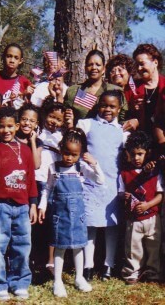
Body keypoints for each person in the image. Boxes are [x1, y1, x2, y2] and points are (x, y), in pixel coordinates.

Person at [0, 107, 38, 301]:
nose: (6, 130)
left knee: (22, 245)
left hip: (22, 206)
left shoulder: (26, 150)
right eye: (1, 127)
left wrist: (33, 203)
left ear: (17, 126)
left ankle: (20, 282)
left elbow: (31, 180)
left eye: (10, 126)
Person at [38, 128, 105, 297]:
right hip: (60, 216)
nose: (69, 157)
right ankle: (58, 281)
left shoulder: (81, 167)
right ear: (61, 149)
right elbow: (48, 188)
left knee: (78, 247)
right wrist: (42, 206)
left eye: (74, 154)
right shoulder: (54, 167)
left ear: (80, 153)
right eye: (66, 153)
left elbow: (100, 180)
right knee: (60, 247)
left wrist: (95, 164)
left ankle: (79, 277)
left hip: (78, 215)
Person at [76, 90, 129, 281]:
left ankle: (108, 264)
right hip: (90, 182)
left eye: (112, 106)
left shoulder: (122, 131)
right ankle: (88, 265)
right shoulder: (87, 124)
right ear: (98, 105)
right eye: (104, 105)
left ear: (119, 108)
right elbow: (77, 147)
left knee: (111, 225)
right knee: (90, 223)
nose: (108, 109)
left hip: (112, 183)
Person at [119, 131, 163, 284]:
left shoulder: (155, 172)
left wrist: (148, 204)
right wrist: (123, 196)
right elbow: (121, 192)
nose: (137, 158)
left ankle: (152, 272)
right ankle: (132, 272)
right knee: (133, 247)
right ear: (127, 154)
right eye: (133, 154)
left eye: (140, 154)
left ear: (147, 153)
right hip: (134, 219)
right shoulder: (124, 174)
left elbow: (160, 195)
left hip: (152, 217)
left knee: (153, 246)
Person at [35, 100, 67, 274]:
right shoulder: (38, 131)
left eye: (58, 119)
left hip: (52, 182)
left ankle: (51, 260)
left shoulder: (61, 136)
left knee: (52, 223)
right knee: (36, 223)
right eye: (51, 116)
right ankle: (35, 259)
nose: (54, 121)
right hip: (36, 178)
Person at [64, 50, 129, 125]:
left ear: (104, 69)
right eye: (90, 65)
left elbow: (123, 119)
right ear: (85, 68)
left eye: (98, 65)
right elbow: (65, 116)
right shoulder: (73, 91)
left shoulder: (115, 90)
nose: (94, 67)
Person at [124, 44, 165, 135]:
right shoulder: (131, 87)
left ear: (155, 62)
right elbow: (122, 114)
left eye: (142, 64)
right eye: (137, 65)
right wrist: (132, 112)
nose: (139, 68)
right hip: (139, 140)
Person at [16, 103, 42, 169]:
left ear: (36, 124)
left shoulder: (38, 142)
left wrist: (33, 141)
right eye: (24, 119)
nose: (27, 123)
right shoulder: (12, 138)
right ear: (19, 119)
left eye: (32, 121)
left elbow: (36, 165)